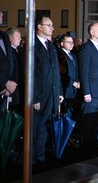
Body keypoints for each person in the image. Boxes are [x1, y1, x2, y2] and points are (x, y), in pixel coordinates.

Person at [33, 16, 64, 164]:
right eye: (49, 25)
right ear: (39, 27)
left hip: (51, 93)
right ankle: (33, 159)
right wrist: (34, 98)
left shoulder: (51, 46)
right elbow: (30, 73)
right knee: (36, 128)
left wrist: (59, 92)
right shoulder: (32, 45)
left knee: (45, 127)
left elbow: (56, 71)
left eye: (52, 25)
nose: (52, 28)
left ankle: (41, 156)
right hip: (39, 95)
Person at [78, 22, 98, 149]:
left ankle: (92, 149)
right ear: (92, 32)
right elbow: (84, 72)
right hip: (91, 94)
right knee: (88, 125)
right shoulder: (86, 48)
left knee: (96, 124)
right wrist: (86, 92)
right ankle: (85, 151)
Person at [0, 5, 17, 114]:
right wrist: (5, 82)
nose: (2, 14)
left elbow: (11, 61)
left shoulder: (4, 35)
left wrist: (12, 84)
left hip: (7, 91)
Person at [57, 34, 80, 119]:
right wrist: (72, 82)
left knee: (72, 115)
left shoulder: (73, 56)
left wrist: (78, 81)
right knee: (65, 115)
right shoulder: (60, 55)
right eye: (68, 42)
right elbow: (61, 73)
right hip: (65, 89)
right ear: (62, 44)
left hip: (74, 91)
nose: (71, 44)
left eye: (72, 42)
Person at [5, 27, 23, 112]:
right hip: (10, 90)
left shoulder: (18, 51)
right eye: (17, 36)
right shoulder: (7, 52)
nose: (20, 38)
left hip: (18, 92)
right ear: (10, 38)